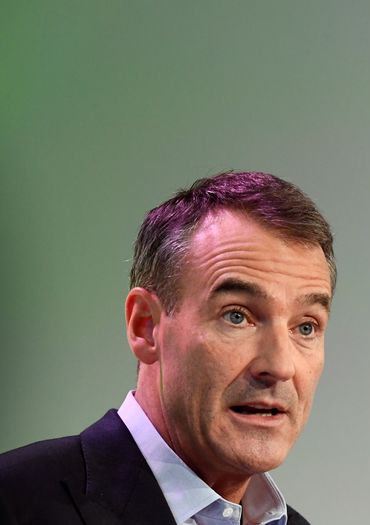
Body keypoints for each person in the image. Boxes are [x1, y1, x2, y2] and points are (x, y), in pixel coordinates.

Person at [0, 171, 336, 525]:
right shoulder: (14, 504)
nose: (281, 366)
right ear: (146, 326)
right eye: (237, 316)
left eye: (306, 326)